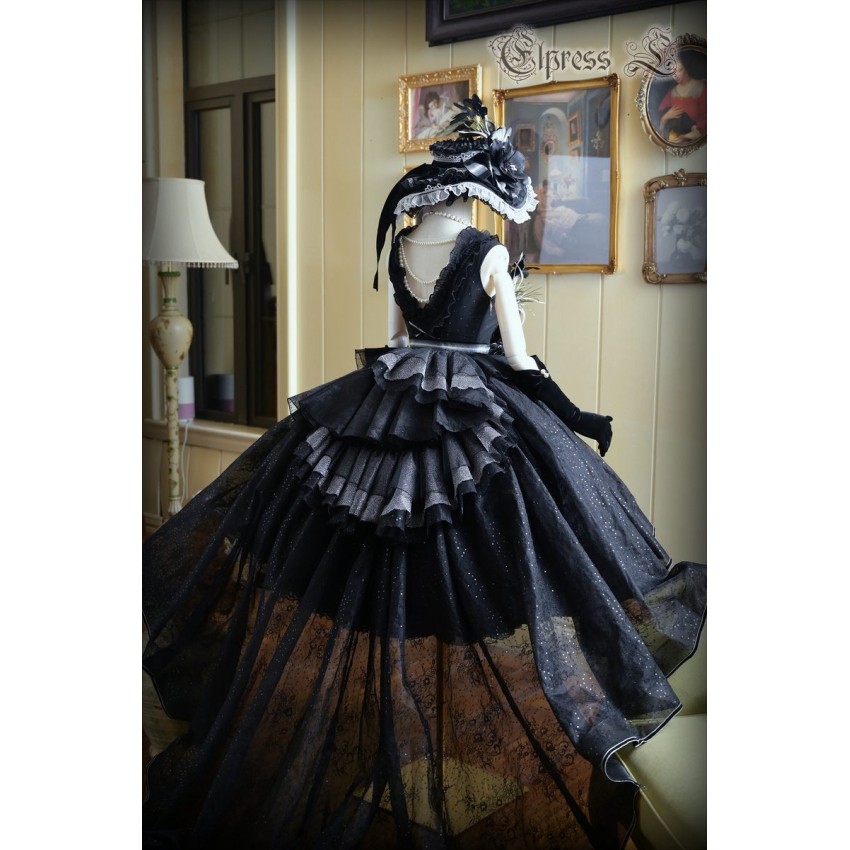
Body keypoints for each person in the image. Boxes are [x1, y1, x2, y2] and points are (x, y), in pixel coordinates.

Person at [143, 96, 706, 849]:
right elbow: (518, 359)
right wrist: (574, 416)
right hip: (476, 409)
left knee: (375, 554)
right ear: (478, 192)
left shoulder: (403, 244)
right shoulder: (488, 252)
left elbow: (393, 342)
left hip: (391, 400)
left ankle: (395, 720)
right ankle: (428, 730)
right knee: (514, 553)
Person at [657, 50, 706, 144]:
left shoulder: (701, 88)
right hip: (674, 139)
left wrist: (686, 136)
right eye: (672, 72)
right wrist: (665, 117)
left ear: (686, 69)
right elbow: (659, 118)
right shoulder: (672, 92)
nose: (675, 75)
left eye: (679, 70)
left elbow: (706, 121)